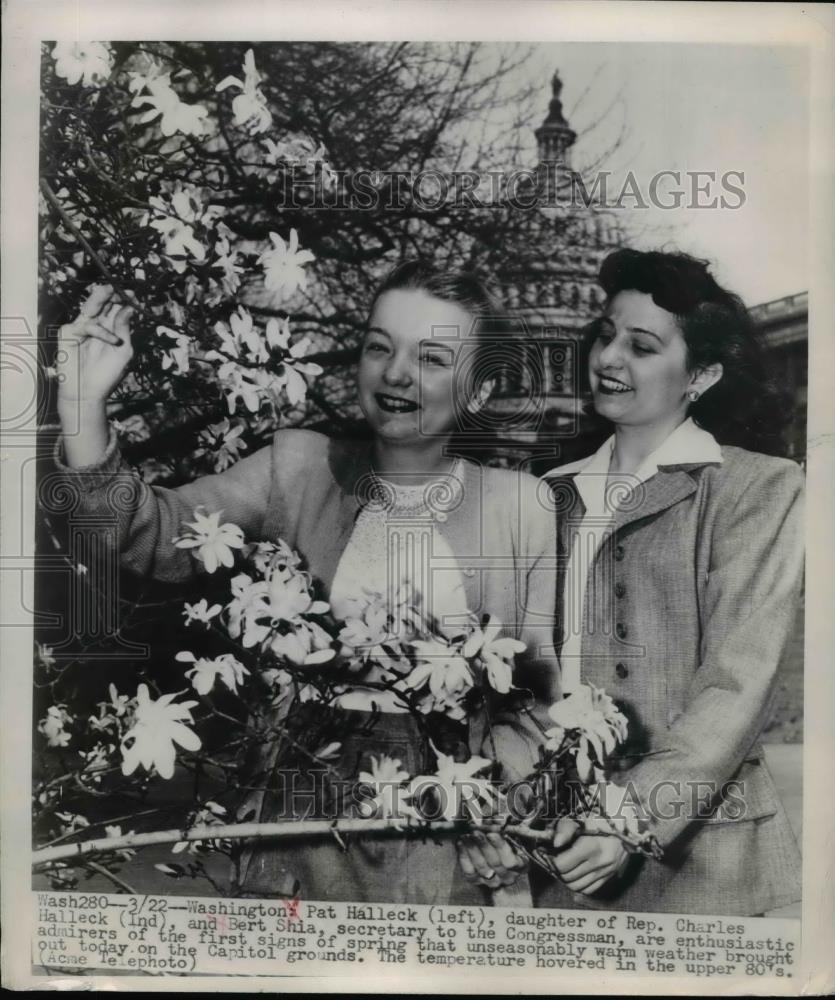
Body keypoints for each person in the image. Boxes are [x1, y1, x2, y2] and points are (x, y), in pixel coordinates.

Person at [53, 259, 560, 905]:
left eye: (431, 358)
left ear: (478, 392)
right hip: (296, 815)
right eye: (379, 347)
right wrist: (83, 404)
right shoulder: (297, 468)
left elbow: (536, 700)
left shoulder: (520, 507)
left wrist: (497, 814)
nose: (396, 373)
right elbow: (145, 535)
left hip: (449, 835)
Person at [535, 248, 804, 916]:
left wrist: (628, 817)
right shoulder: (544, 494)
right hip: (559, 853)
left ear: (701, 376)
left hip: (707, 865)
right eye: (605, 335)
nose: (608, 357)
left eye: (642, 345)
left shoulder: (757, 488)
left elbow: (736, 685)